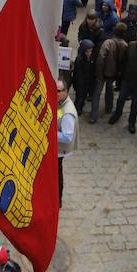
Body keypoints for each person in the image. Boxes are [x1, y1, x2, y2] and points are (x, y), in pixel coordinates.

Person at [91, 22, 128, 122]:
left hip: (103, 71)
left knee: (97, 93)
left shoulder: (108, 43)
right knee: (109, 90)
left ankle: (93, 115)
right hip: (113, 73)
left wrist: (99, 72)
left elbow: (100, 58)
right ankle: (108, 108)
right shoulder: (125, 45)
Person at [57, 77, 78, 206]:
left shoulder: (68, 113)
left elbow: (67, 137)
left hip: (60, 150)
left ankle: (58, 200)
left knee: (57, 174)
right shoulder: (61, 102)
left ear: (66, 91)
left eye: (59, 91)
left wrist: (50, 133)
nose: (56, 93)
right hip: (57, 147)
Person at [72, 40, 96, 116]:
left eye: (90, 51)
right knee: (79, 97)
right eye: (87, 51)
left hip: (87, 82)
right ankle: (77, 109)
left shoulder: (91, 57)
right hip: (81, 83)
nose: (89, 53)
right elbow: (78, 75)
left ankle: (80, 107)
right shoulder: (79, 59)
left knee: (83, 97)